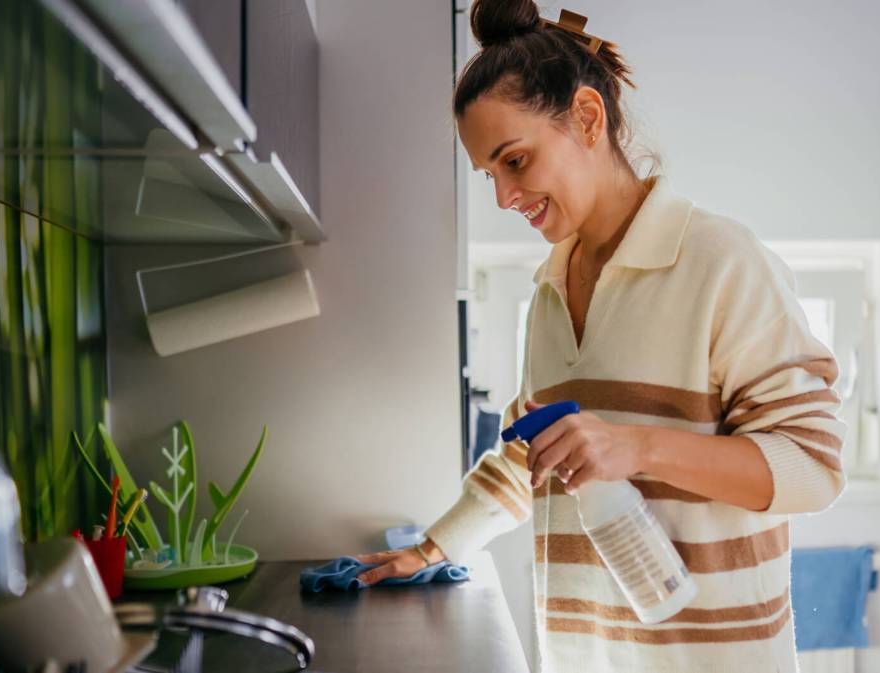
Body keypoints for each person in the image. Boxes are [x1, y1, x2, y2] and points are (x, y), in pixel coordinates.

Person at [356, 1, 845, 670]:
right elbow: (534, 456)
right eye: (489, 175)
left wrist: (637, 445)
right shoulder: (550, 290)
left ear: (587, 118)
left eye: (516, 160)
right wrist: (434, 548)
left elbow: (814, 468)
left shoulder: (722, 262)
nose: (503, 196)